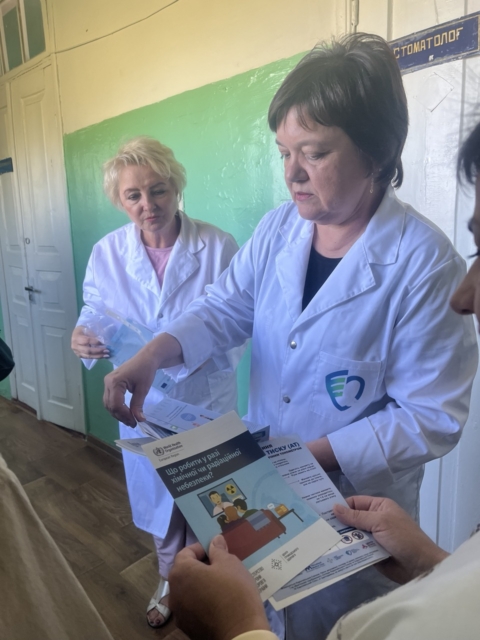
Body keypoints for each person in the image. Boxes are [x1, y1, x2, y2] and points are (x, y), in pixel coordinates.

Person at [102, 36, 478, 638]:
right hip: (265, 493)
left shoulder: (426, 265)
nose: (292, 174)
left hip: (352, 512)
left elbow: (430, 416)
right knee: (265, 615)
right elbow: (224, 307)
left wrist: (303, 455)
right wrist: (153, 354)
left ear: (377, 153)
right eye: (283, 152)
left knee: (340, 626)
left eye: (315, 153)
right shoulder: (279, 229)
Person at [71, 137, 242, 628]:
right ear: (119, 200)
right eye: (134, 195)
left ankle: (213, 582)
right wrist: (83, 336)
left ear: (176, 188)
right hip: (140, 404)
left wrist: (182, 359)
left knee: (210, 497)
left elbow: (235, 323)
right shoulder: (107, 252)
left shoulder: (218, 245)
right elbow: (95, 310)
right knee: (160, 500)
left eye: (158, 190)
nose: (148, 204)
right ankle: (170, 579)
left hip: (204, 395)